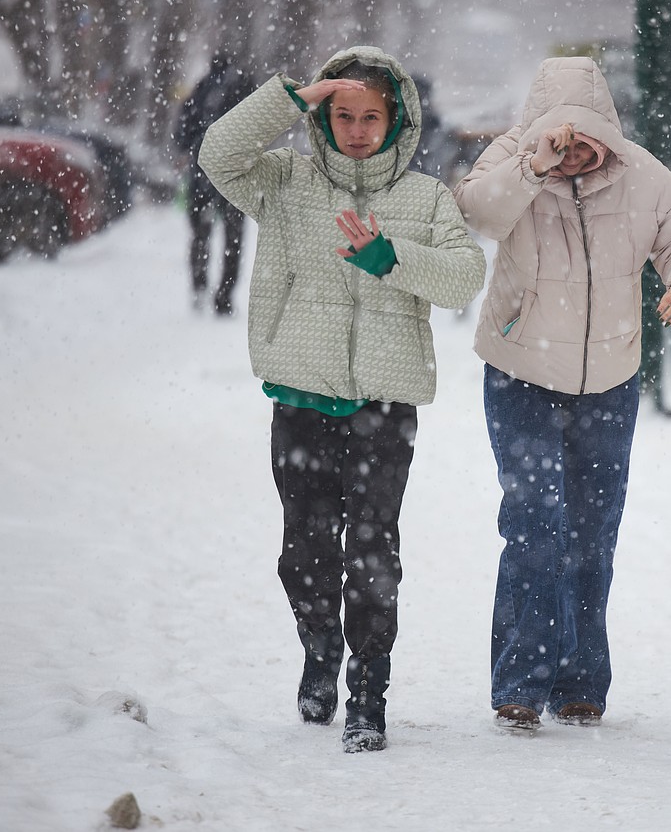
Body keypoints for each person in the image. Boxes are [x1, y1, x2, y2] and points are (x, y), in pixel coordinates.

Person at [198, 46, 486, 753]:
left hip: (384, 409)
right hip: (301, 398)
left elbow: (462, 278)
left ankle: (368, 692)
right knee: (304, 553)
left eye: (371, 117)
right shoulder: (285, 181)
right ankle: (321, 647)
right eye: (344, 115)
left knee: (373, 552)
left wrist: (390, 258)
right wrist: (291, 98)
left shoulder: (425, 198)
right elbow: (217, 154)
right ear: (325, 119)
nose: (358, 129)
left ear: (397, 121)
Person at [454, 56, 671, 732]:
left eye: (583, 144)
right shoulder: (512, 162)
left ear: (607, 131)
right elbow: (476, 213)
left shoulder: (644, 176)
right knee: (536, 525)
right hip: (520, 374)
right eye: (560, 142)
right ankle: (519, 681)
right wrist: (532, 165)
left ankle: (580, 682)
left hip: (608, 382)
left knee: (592, 534)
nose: (572, 156)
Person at [173, 51, 256, 315]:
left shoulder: (200, 90)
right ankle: (224, 296)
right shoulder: (243, 87)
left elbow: (181, 136)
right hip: (234, 174)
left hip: (202, 173)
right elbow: (257, 130)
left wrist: (195, 146)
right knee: (233, 239)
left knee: (200, 235)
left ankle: (199, 287)